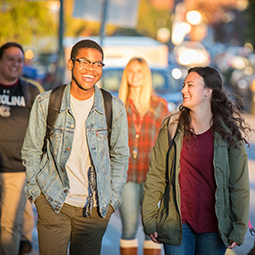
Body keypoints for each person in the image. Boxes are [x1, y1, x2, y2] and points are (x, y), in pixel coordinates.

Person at [21, 39, 129, 255]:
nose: (91, 69)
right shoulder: (46, 102)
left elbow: (120, 156)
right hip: (53, 202)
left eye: (97, 64)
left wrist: (111, 202)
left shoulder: (113, 107)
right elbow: (31, 149)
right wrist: (36, 194)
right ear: (71, 64)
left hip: (94, 210)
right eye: (84, 62)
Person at [142, 66, 251, 255]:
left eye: (190, 85)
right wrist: (149, 218)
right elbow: (156, 175)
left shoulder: (229, 134)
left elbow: (239, 184)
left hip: (214, 226)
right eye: (184, 85)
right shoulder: (172, 127)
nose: (183, 90)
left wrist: (240, 227)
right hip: (177, 223)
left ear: (208, 91)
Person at [118, 57, 170, 255]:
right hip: (127, 176)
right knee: (129, 228)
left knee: (153, 231)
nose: (135, 75)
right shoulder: (118, 106)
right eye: (131, 70)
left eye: (140, 71)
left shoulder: (159, 106)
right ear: (126, 75)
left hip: (154, 179)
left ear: (146, 75)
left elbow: (170, 143)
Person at [0, 42, 40, 255]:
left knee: (9, 227)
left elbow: (41, 130)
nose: (15, 64)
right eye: (10, 59)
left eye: (19, 60)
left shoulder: (30, 91)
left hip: (16, 170)